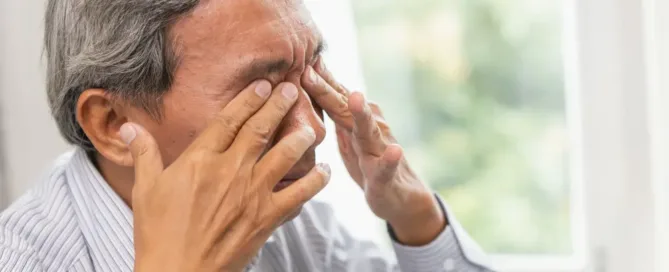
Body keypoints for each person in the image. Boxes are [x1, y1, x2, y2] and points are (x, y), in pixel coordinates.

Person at [0, 0, 494, 271]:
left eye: (311, 73)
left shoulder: (299, 231)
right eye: (264, 92)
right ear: (111, 124)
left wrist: (418, 220)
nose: (313, 129)